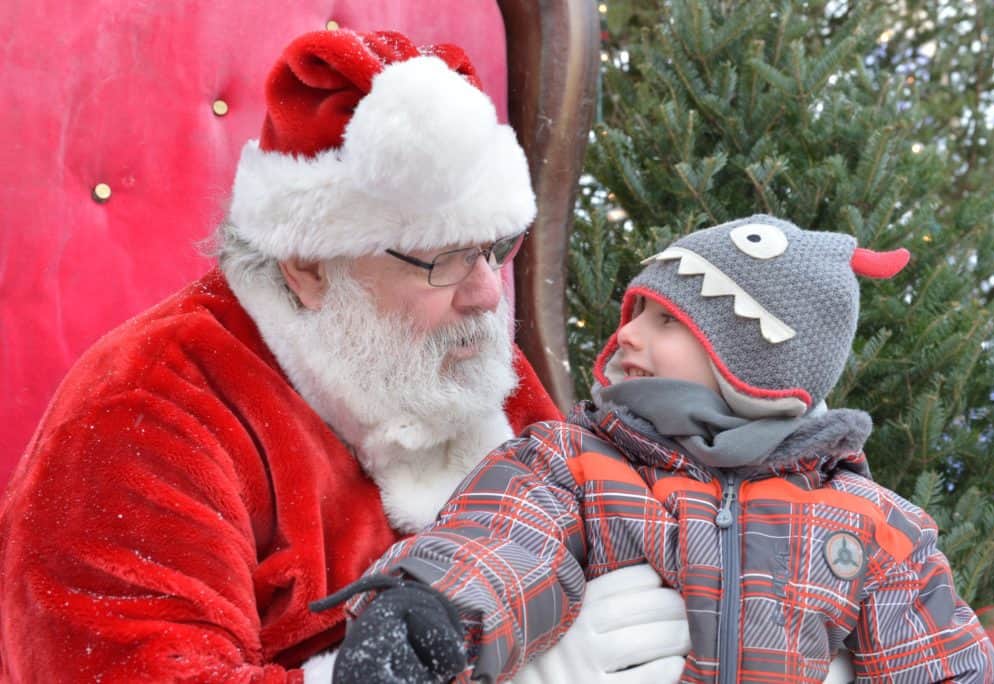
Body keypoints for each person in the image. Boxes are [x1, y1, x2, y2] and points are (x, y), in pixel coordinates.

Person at [0, 29, 689, 682]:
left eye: (492, 249)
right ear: (307, 265)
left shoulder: (459, 350)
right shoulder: (141, 414)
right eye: (442, 259)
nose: (485, 293)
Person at [324, 215, 994, 683]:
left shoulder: (869, 524)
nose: (628, 336)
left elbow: (939, 657)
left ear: (755, 359)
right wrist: (430, 617)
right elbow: (505, 542)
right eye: (637, 314)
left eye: (668, 320)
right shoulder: (578, 462)